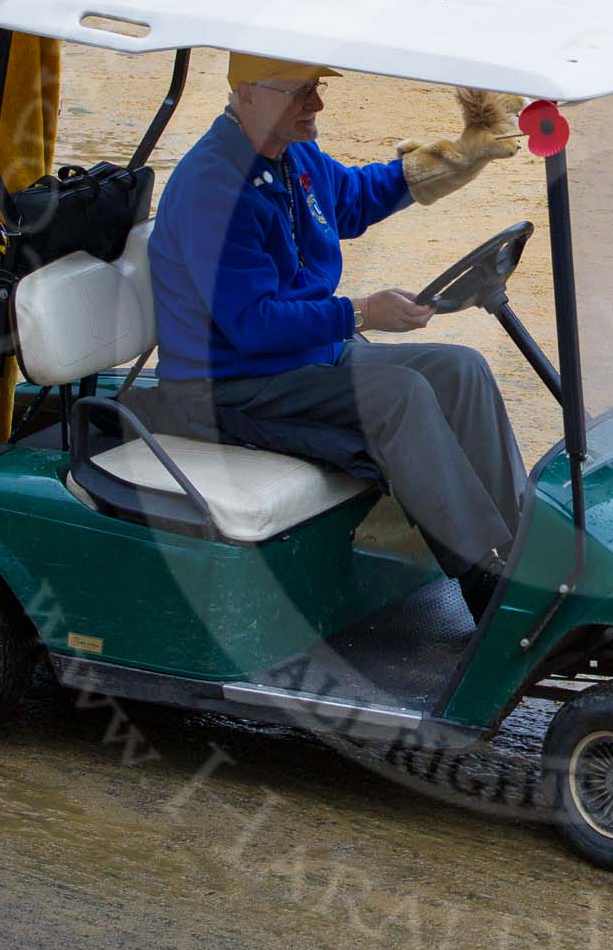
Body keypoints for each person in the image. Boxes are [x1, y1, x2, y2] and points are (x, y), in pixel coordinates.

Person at [145, 55, 525, 611]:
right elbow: (252, 326)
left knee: (460, 368)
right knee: (400, 397)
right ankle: (482, 582)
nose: (317, 105)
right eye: (300, 93)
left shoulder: (291, 155)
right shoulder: (213, 189)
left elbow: (350, 197)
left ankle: (519, 550)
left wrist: (454, 159)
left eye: (315, 89)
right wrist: (361, 313)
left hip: (301, 360)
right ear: (247, 95)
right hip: (227, 385)